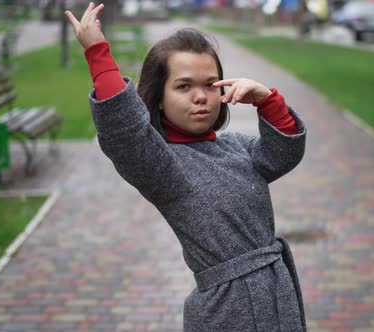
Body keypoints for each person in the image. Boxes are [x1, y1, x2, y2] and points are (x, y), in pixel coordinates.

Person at [65, 3, 307, 331]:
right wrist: (97, 52)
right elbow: (127, 135)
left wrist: (268, 100)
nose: (200, 96)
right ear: (159, 97)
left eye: (210, 84)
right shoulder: (165, 167)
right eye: (184, 86)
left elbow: (282, 154)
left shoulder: (234, 145)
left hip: (277, 297)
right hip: (229, 312)